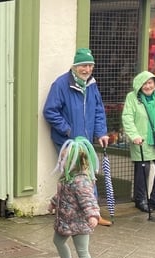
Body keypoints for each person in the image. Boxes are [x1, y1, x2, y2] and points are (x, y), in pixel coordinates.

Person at [43, 48, 111, 226]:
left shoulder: (91, 84)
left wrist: (101, 132)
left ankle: (82, 211)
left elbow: (98, 110)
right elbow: (50, 111)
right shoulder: (61, 84)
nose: (87, 69)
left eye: (90, 65)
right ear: (74, 66)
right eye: (83, 65)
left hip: (85, 141)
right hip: (69, 142)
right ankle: (88, 213)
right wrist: (68, 131)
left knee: (83, 175)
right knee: (79, 175)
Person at [48, 136, 100, 258]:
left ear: (74, 161)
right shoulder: (66, 178)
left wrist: (93, 215)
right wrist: (53, 202)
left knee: (82, 251)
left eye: (64, 158)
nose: (61, 161)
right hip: (65, 220)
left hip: (80, 223)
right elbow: (62, 195)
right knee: (57, 241)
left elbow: (88, 200)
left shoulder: (81, 181)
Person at [121, 71, 155, 213]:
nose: (148, 86)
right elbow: (127, 118)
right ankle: (141, 200)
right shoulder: (132, 98)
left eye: (150, 82)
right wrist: (134, 135)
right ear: (139, 85)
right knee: (143, 171)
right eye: (144, 83)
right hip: (142, 141)